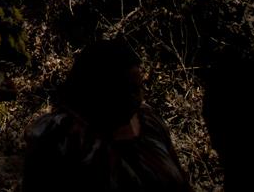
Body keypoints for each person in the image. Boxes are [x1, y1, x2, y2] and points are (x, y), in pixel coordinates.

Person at [23, 39, 191, 192]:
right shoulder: (60, 136)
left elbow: (180, 181)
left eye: (139, 88)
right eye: (126, 90)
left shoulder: (149, 122)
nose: (138, 98)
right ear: (99, 91)